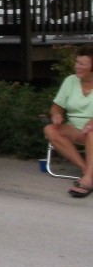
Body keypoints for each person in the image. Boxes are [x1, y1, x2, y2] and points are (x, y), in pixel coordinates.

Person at [44, 46, 93, 198]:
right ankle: (87, 172)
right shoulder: (70, 81)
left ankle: (88, 180)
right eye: (76, 62)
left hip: (91, 130)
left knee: (91, 131)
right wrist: (57, 115)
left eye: (82, 64)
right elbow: (56, 107)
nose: (77, 67)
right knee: (50, 129)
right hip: (75, 129)